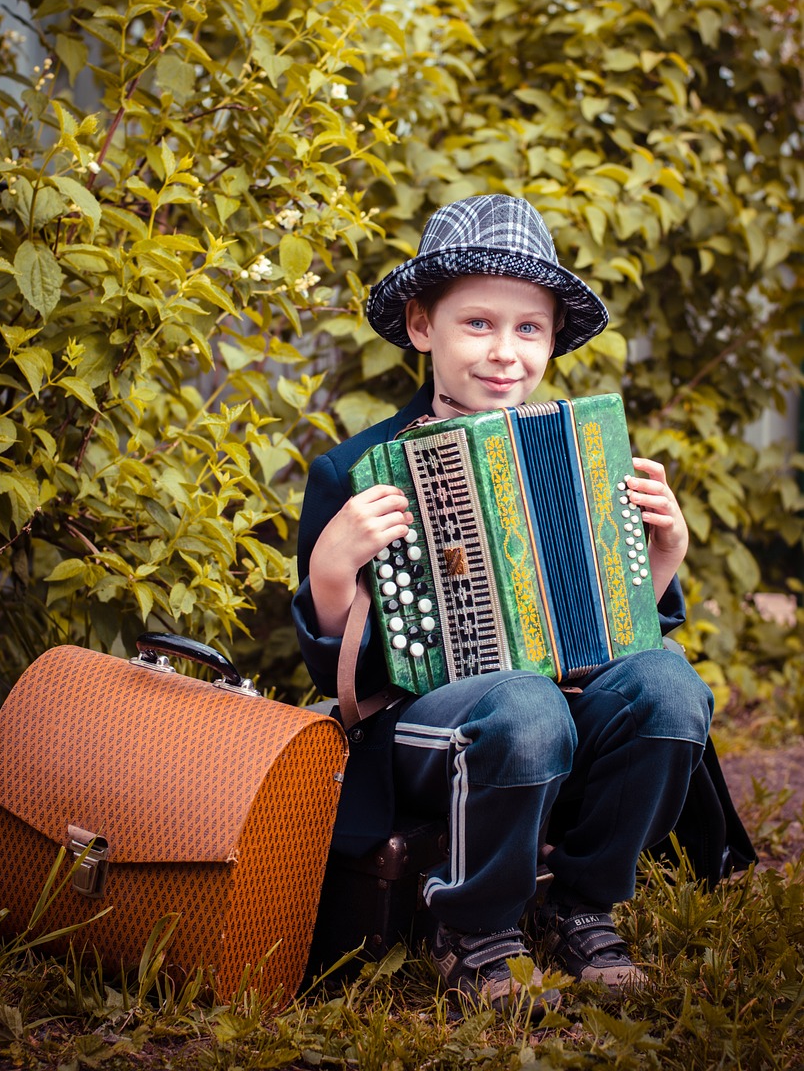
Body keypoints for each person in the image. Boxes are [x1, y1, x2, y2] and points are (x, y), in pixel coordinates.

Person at [292, 194, 715, 1011]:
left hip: (563, 711)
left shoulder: (586, 457)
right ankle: (476, 928)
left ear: (552, 340)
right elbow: (334, 669)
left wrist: (663, 559)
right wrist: (333, 573)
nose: (505, 352)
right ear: (422, 327)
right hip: (420, 728)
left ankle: (582, 905)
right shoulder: (358, 470)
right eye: (477, 323)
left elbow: (625, 633)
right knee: (523, 706)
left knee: (670, 686)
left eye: (530, 329)